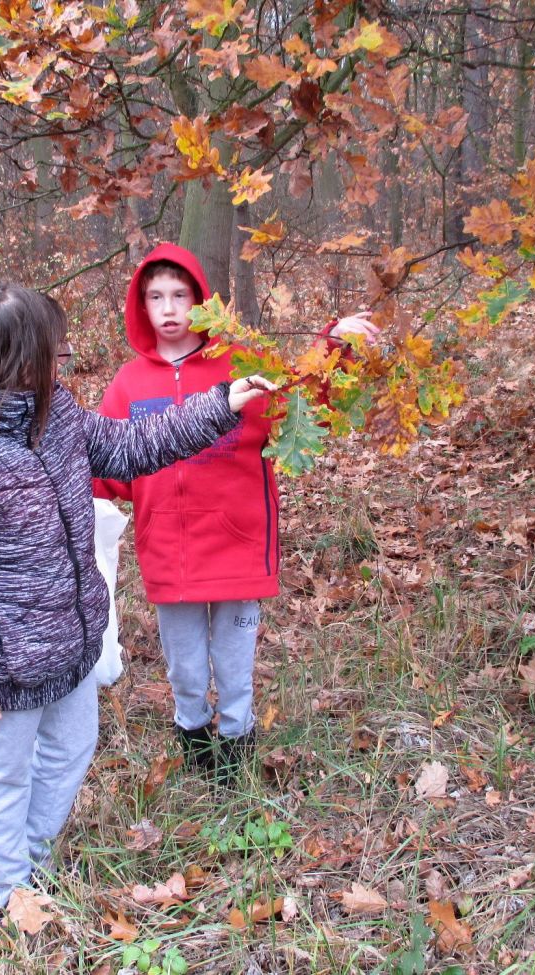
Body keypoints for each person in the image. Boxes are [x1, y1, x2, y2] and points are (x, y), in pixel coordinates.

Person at [0, 282, 274, 927]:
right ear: (17, 364)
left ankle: (31, 865)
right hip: (6, 663)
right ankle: (1, 896)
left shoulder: (53, 413)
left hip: (71, 639)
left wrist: (218, 405)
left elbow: (129, 445)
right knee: (6, 772)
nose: (62, 364)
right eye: (54, 355)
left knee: (72, 748)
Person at [94, 244, 378, 783]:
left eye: (180, 295)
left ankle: (236, 751)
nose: (169, 308)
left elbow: (303, 399)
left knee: (233, 664)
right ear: (140, 305)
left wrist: (335, 344)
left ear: (202, 300)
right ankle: (195, 743)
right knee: (184, 667)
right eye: (155, 297)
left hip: (237, 545)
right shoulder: (129, 384)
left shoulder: (240, 365)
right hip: (168, 554)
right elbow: (104, 464)